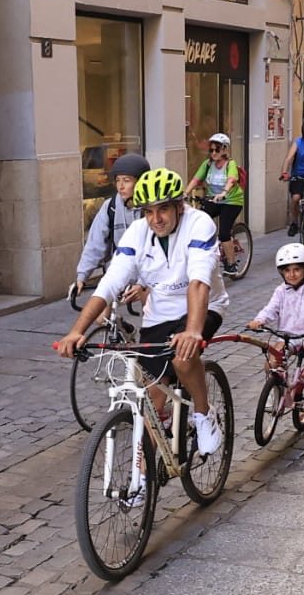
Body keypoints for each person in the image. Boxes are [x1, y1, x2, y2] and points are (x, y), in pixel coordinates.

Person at [56, 168, 228, 455]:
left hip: (203, 307)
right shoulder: (138, 232)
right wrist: (76, 331)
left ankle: (203, 414)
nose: (155, 219)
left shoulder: (199, 224)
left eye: (163, 210)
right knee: (150, 403)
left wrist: (193, 331)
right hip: (160, 313)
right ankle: (142, 481)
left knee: (184, 358)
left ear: (178, 206)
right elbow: (110, 284)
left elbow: (198, 282)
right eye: (148, 212)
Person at [247, 243, 304, 412]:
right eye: (287, 270)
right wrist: (259, 320)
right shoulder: (281, 291)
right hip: (287, 336)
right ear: (281, 272)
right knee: (272, 361)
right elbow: (271, 308)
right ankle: (275, 390)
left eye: (296, 270)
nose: (292, 274)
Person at [76, 152, 150, 294]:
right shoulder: (110, 207)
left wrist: (142, 283)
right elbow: (95, 244)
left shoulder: (151, 209)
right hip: (119, 272)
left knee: (149, 308)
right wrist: (82, 276)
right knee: (102, 310)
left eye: (126, 181)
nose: (120, 186)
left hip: (146, 274)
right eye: (117, 180)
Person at [190, 133, 247, 275]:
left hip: (232, 201)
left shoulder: (230, 164)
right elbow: (196, 179)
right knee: (198, 222)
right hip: (214, 200)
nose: (214, 153)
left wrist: (224, 192)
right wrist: (184, 193)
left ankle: (232, 264)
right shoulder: (208, 164)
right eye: (211, 150)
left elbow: (232, 179)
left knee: (223, 233)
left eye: (217, 149)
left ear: (224, 149)